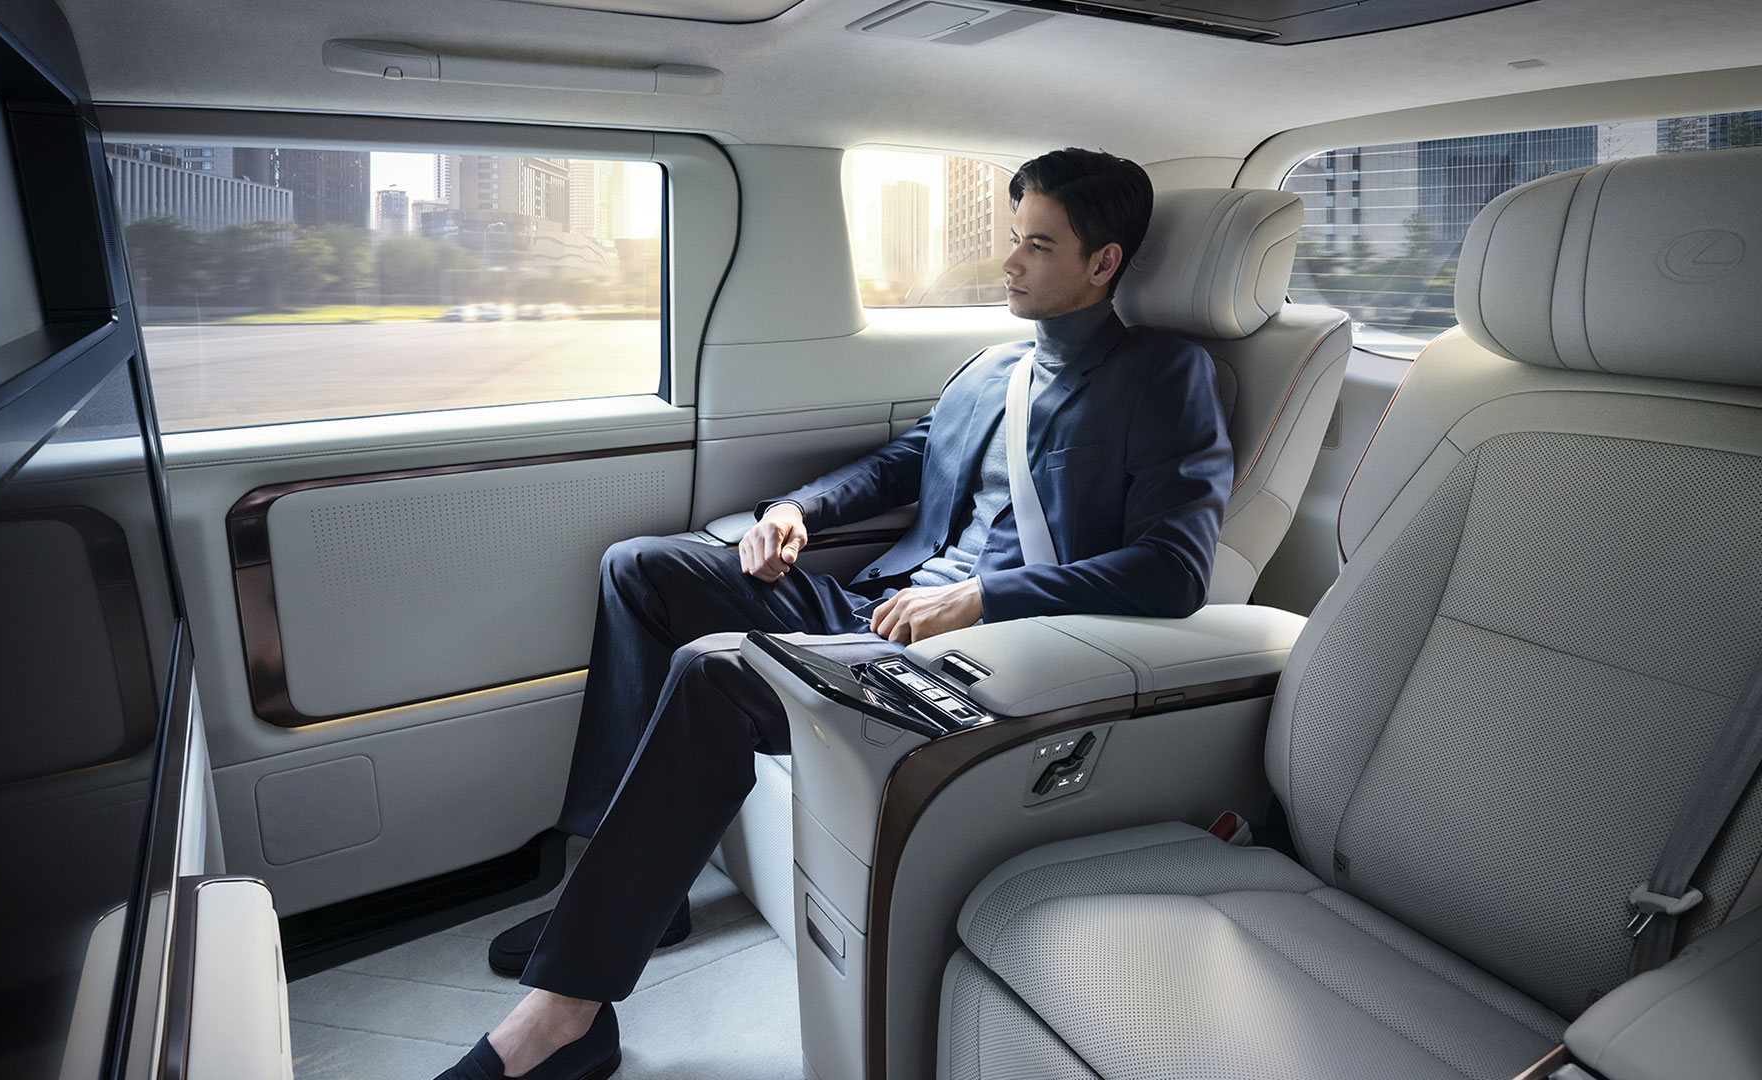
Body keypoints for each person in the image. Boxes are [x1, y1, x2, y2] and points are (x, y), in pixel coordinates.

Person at [433, 147, 1233, 1080]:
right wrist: (795, 513)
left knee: (716, 671)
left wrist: (982, 595)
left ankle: (567, 1016)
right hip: (876, 611)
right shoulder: (993, 370)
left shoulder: (1169, 376)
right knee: (639, 567)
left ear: (1104, 263)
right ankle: (627, 894)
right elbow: (900, 465)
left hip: (984, 662)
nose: (1009, 263)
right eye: (1012, 239)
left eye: (1039, 246)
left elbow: (1172, 571)